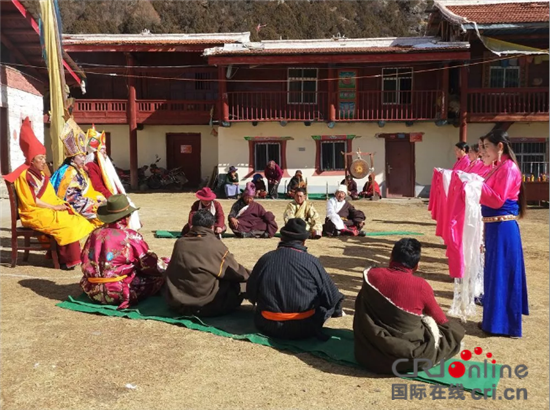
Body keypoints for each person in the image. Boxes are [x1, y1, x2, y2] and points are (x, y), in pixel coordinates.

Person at [353, 238, 465, 374]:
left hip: (367, 353)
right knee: (453, 331)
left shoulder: (372, 275)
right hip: (406, 360)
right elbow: (441, 320)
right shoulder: (421, 286)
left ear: (391, 257)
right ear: (417, 266)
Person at [4, 118, 95, 270]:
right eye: (40, 158)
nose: (43, 162)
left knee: (73, 217)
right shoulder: (24, 175)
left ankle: (63, 255)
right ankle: (66, 261)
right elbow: (31, 201)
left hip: (45, 208)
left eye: (44, 158)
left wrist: (59, 204)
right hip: (33, 212)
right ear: (31, 160)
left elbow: (50, 195)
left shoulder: (40, 174)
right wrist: (54, 207)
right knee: (65, 224)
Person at [247, 218, 344, 340]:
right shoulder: (311, 262)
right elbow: (331, 298)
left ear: (281, 239)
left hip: (268, 325)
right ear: (304, 242)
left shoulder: (265, 259)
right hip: (305, 327)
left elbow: (251, 294)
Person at [479, 130, 529, 338]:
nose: (483, 151)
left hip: (503, 227)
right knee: (493, 273)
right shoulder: (497, 167)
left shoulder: (508, 168)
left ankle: (505, 325)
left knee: (503, 274)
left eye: (486, 147)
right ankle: (493, 321)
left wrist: (475, 186)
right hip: (494, 227)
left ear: (500, 146)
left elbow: (497, 199)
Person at [80, 194, 167, 309]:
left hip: (92, 291)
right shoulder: (130, 236)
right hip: (120, 292)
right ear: (126, 217)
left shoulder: (94, 234)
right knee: (160, 276)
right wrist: (165, 268)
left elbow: (84, 261)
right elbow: (148, 264)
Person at [165, 209, 250, 317]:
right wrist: (254, 275)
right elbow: (235, 272)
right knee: (242, 284)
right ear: (212, 227)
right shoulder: (214, 245)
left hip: (178, 304)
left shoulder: (180, 243)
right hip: (206, 305)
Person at [84, 126, 142, 230]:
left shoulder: (103, 164)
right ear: (95, 152)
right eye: (102, 150)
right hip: (98, 195)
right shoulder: (91, 165)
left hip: (110, 194)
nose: (105, 153)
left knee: (128, 203)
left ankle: (132, 228)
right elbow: (97, 186)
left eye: (104, 150)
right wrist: (112, 197)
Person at [51, 119, 106, 226]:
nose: (83, 159)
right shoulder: (69, 172)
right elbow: (71, 199)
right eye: (81, 156)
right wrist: (92, 203)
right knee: (102, 214)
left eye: (84, 156)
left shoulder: (78, 169)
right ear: (72, 158)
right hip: (68, 205)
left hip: (80, 200)